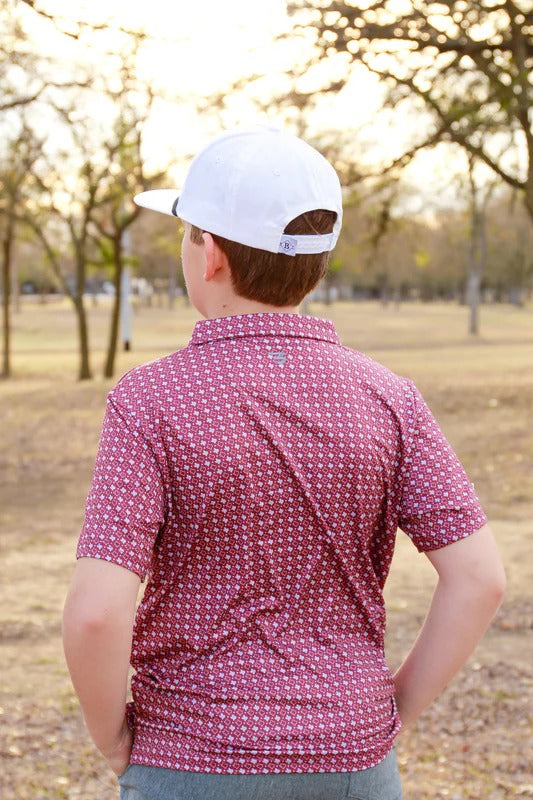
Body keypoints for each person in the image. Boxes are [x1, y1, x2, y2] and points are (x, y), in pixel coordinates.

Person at [62, 127, 506, 800]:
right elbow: (478, 579)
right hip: (352, 762)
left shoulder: (148, 401)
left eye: (186, 232)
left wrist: (112, 739)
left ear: (207, 254)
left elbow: (96, 613)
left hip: (191, 757)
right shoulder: (389, 398)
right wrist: (390, 716)